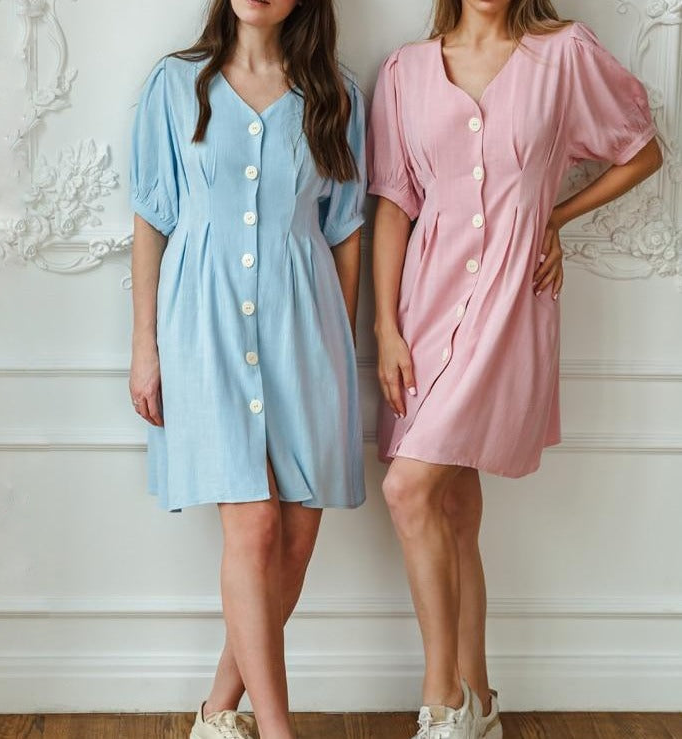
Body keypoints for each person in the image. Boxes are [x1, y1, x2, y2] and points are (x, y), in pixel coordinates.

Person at [366, 0, 662, 736]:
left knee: (408, 489)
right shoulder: (404, 71)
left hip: (509, 301)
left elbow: (641, 150)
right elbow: (394, 205)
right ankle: (480, 698)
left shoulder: (562, 55)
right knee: (451, 506)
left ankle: (442, 700)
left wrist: (553, 217)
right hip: (425, 306)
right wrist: (384, 326)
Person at [128, 0, 367, 736]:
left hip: (305, 331)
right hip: (203, 328)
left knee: (294, 540)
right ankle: (277, 729)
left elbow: (345, 228)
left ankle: (215, 714)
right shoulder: (175, 84)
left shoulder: (334, 94)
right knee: (255, 523)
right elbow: (152, 216)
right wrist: (144, 345)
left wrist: (337, 353)